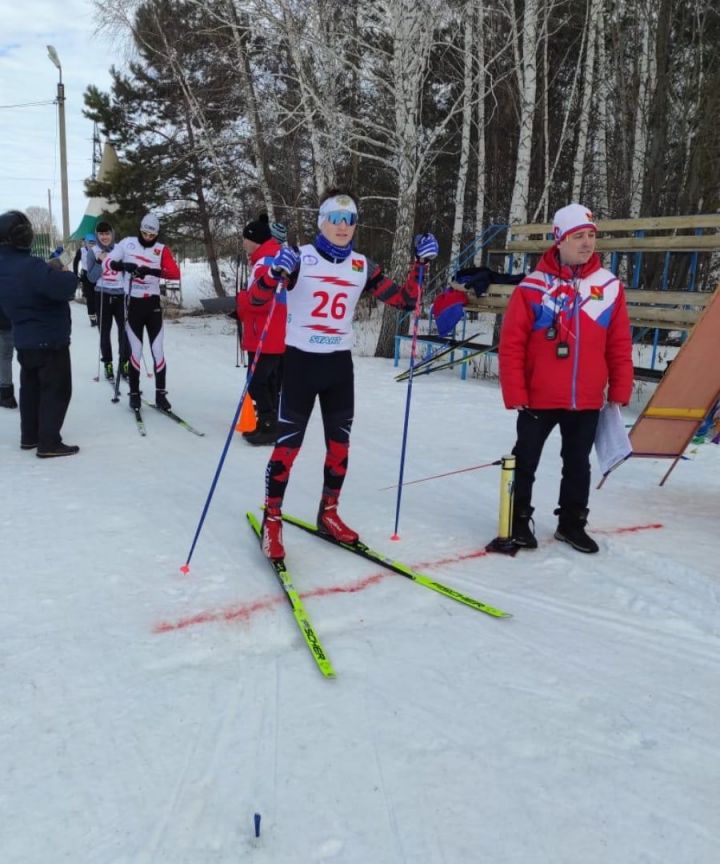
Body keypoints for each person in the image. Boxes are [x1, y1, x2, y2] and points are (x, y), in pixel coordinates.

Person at [251, 189, 439, 559]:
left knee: (339, 447)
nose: (342, 226)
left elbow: (407, 301)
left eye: (349, 219)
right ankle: (272, 519)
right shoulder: (300, 258)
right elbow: (257, 300)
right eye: (334, 219)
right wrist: (274, 272)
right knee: (288, 447)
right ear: (321, 221)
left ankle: (329, 512)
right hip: (301, 363)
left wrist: (421, 265)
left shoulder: (361, 266)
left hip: (338, 366)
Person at [499, 203, 633, 553]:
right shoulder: (532, 287)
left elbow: (619, 344)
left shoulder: (608, 287)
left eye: (591, 236)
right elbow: (511, 344)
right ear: (559, 239)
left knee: (578, 464)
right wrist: (516, 391)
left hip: (586, 398)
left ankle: (571, 523)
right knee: (525, 460)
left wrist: (620, 387)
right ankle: (517, 521)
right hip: (538, 396)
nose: (587, 243)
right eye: (578, 236)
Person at [0, 210, 79, 456]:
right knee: (56, 390)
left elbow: (31, 283)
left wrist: (48, 269)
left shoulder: (9, 266)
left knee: (31, 388)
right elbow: (66, 287)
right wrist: (63, 272)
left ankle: (30, 436)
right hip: (49, 339)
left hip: (24, 340)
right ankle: (49, 442)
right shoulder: (29, 266)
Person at [109, 213, 181, 411]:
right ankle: (134, 394)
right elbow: (109, 262)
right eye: (145, 233)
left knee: (158, 351)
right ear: (140, 230)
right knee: (136, 351)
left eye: (152, 234)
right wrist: (124, 266)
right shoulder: (127, 243)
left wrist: (150, 271)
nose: (148, 237)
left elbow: (175, 274)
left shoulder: (161, 249)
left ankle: (161, 395)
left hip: (153, 304)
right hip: (132, 302)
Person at [236, 213, 286, 445]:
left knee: (257, 380)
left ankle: (268, 425)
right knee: (270, 378)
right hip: (274, 329)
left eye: (245, 238)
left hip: (265, 329)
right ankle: (272, 422)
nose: (243, 242)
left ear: (254, 239)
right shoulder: (269, 257)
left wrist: (239, 303)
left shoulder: (265, 262)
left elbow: (261, 298)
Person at [85, 220, 129, 381]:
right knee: (104, 332)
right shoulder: (93, 251)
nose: (104, 237)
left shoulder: (120, 250)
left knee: (123, 331)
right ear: (97, 235)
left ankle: (125, 363)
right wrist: (99, 261)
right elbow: (90, 277)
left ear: (112, 234)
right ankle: (108, 363)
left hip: (119, 295)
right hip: (102, 295)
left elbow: (127, 271)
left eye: (107, 234)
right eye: (101, 234)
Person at [73, 234, 98, 326]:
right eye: (89, 243)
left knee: (97, 297)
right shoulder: (81, 251)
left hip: (96, 275)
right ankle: (92, 318)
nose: (91, 245)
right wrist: (75, 274)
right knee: (90, 297)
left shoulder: (98, 250)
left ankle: (98, 315)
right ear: (85, 243)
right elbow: (75, 262)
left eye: (93, 243)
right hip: (86, 276)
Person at [0, 302, 17, 408]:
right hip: (9, 322)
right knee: (6, 357)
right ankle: (6, 395)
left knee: (5, 357)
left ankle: (6, 394)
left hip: (7, 323)